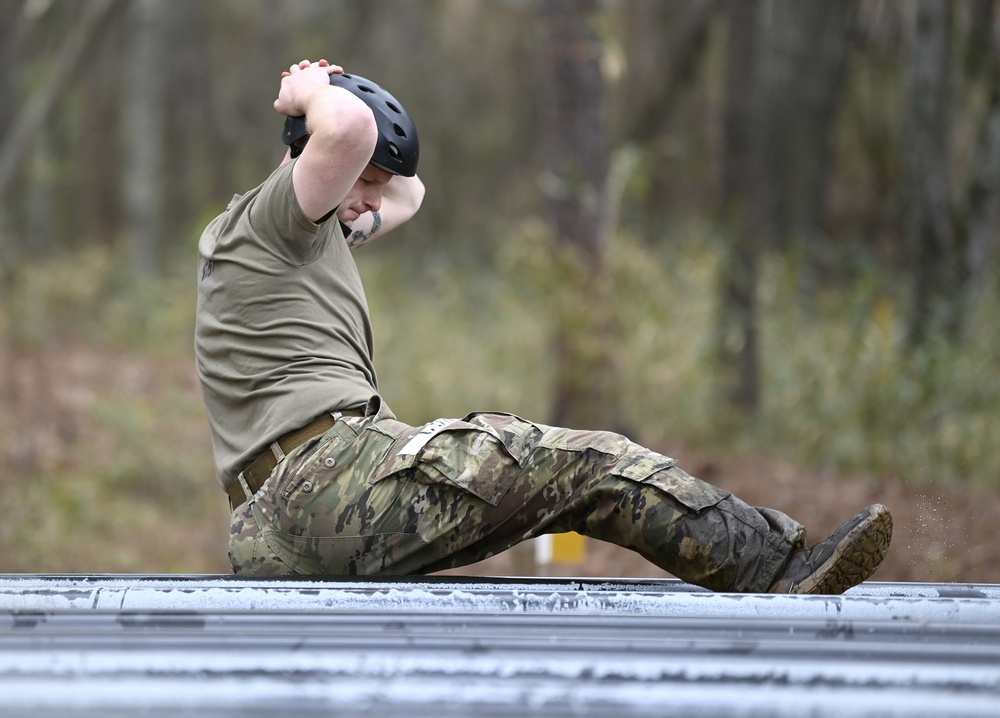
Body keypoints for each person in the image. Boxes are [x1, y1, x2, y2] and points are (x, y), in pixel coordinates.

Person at [195, 59, 892, 594]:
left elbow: (412, 190)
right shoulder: (273, 220)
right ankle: (778, 567)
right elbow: (346, 133)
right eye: (362, 181)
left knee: (568, 486)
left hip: (279, 522)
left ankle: (774, 561)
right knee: (589, 464)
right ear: (304, 152)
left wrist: (343, 103)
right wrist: (308, 93)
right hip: (322, 483)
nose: (372, 200)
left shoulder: (317, 234)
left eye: (371, 184)